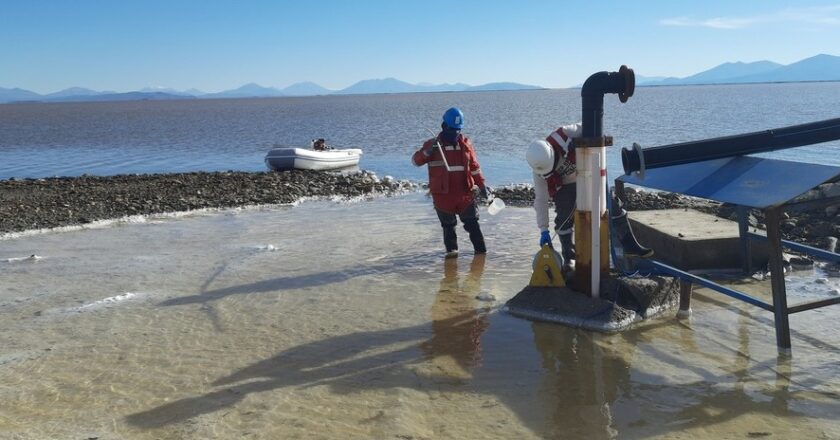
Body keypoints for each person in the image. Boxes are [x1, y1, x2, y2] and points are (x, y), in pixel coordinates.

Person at [525, 123, 652, 267]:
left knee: (611, 204)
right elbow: (541, 200)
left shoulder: (566, 133)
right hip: (565, 186)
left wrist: (581, 140)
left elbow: (592, 125)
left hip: (588, 174)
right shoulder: (538, 172)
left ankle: (630, 245)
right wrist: (543, 230)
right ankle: (569, 257)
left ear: (552, 153)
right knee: (563, 217)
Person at [412, 107, 488, 258]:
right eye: (452, 129)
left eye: (458, 130)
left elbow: (475, 168)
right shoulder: (432, 145)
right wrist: (427, 152)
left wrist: (482, 185)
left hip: (465, 195)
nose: (455, 133)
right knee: (449, 228)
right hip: (443, 197)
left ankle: (482, 258)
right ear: (444, 126)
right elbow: (415, 161)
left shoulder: (466, 144)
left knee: (473, 225)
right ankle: (451, 265)